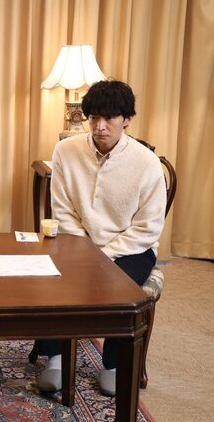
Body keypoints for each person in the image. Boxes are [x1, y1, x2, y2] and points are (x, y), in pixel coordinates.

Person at [36, 80, 166, 396]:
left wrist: (104, 255)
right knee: (52, 277)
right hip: (76, 241)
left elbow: (148, 228)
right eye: (94, 117)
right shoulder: (65, 150)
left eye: (109, 118)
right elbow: (63, 210)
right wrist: (85, 250)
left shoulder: (146, 163)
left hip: (132, 247)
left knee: (119, 285)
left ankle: (114, 363)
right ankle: (56, 357)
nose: (100, 126)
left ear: (127, 119)